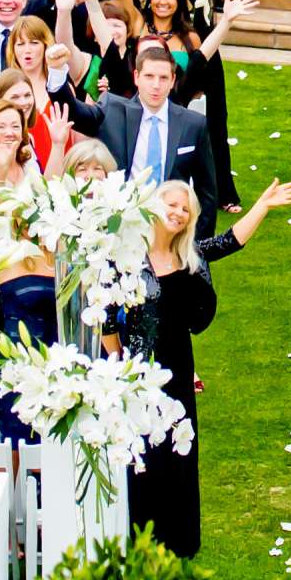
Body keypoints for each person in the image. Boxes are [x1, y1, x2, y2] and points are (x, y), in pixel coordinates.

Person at [115, 179, 219, 556]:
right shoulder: (129, 255)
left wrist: (261, 208)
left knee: (179, 446)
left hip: (177, 364)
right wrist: (117, 357)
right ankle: (142, 532)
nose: (177, 213)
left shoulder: (187, 258)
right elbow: (111, 316)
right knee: (142, 450)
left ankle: (180, 537)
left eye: (185, 209)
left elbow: (227, 244)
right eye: (171, 205)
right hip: (137, 364)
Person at [96, 47, 220, 239]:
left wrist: (198, 246)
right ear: (136, 77)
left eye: (163, 78)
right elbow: (75, 111)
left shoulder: (194, 124)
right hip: (122, 227)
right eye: (149, 76)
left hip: (171, 229)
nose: (156, 85)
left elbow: (207, 191)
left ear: (172, 80)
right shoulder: (114, 112)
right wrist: (57, 73)